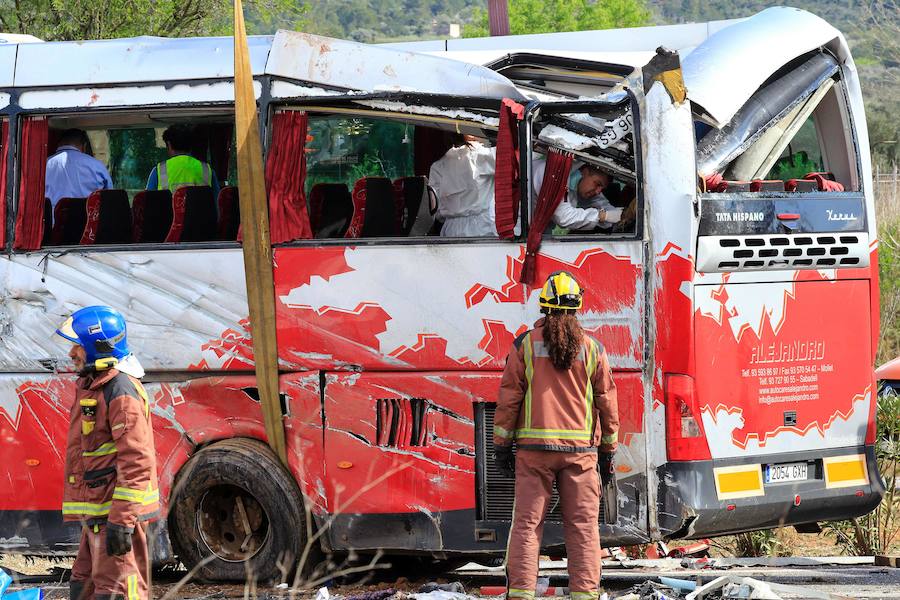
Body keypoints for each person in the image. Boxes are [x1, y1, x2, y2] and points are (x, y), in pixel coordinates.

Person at [493, 271, 619, 600]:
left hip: (534, 453)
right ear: (577, 308)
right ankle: (585, 596)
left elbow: (509, 399)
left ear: (544, 307)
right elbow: (607, 403)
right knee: (582, 529)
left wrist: (502, 447)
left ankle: (520, 594)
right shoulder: (593, 349)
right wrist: (608, 451)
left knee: (527, 526)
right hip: (580, 455)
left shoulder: (524, 346)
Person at [56, 306, 158, 600]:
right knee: (83, 585)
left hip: (114, 516)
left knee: (117, 591)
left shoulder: (120, 391)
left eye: (77, 345)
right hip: (98, 512)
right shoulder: (94, 387)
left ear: (98, 347)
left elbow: (137, 462)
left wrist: (121, 521)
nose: (71, 353)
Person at [428, 134, 497, 237]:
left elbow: (436, 209)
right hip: (480, 229)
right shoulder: (481, 154)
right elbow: (514, 160)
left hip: (450, 229)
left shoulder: (437, 166)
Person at [531, 158, 623, 232]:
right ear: (585, 172)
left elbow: (601, 203)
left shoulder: (581, 182)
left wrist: (624, 215)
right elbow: (564, 217)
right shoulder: (555, 174)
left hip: (537, 233)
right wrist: (602, 216)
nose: (598, 191)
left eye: (602, 188)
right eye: (598, 184)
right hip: (521, 234)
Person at [45, 129, 113, 219]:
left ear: (59, 144)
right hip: (87, 228)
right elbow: (110, 199)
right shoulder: (97, 166)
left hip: (52, 228)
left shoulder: (43, 165)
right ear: (84, 146)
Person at [146, 124, 220, 198]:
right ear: (191, 145)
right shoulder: (207, 170)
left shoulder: (158, 171)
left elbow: (148, 203)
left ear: (169, 144)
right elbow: (217, 203)